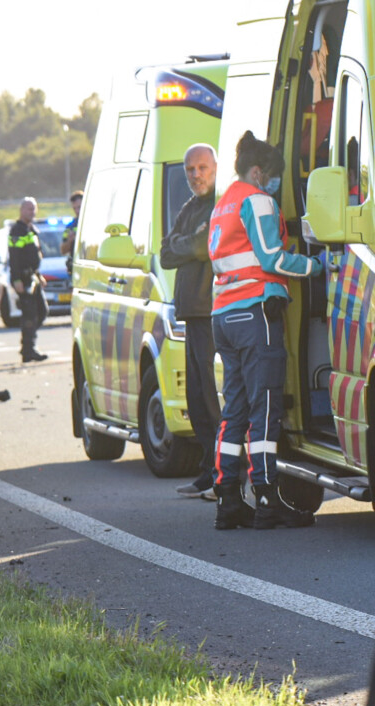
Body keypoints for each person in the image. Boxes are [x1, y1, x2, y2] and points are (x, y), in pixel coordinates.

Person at [207, 131, 322, 530]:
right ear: (258, 171)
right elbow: (271, 258)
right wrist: (316, 266)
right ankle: (268, 497)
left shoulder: (223, 203)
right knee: (266, 408)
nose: (274, 185)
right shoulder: (256, 199)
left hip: (224, 315)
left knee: (234, 411)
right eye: (272, 176)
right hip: (256, 312)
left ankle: (227, 500)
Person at [160, 143, 221, 500]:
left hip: (210, 312)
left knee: (212, 399)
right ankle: (207, 469)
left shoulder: (218, 203)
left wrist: (190, 243)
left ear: (215, 167)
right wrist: (190, 242)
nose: (196, 175)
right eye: (190, 170)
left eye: (202, 167)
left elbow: (203, 247)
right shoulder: (191, 207)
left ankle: (222, 473)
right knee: (196, 398)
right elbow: (167, 252)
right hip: (192, 314)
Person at [9, 197, 47, 362]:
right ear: (21, 210)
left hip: (33, 277)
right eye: (29, 209)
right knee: (30, 315)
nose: (32, 212)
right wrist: (16, 279)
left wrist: (39, 275)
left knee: (42, 311)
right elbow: (14, 257)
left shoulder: (31, 229)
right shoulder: (17, 230)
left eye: (34, 209)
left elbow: (34, 256)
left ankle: (27, 345)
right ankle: (28, 349)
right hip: (23, 279)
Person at [61, 190, 83, 277]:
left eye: (79, 207)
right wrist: (69, 241)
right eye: (74, 208)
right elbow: (63, 250)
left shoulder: (93, 222)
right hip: (77, 269)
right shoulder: (70, 226)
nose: (77, 211)